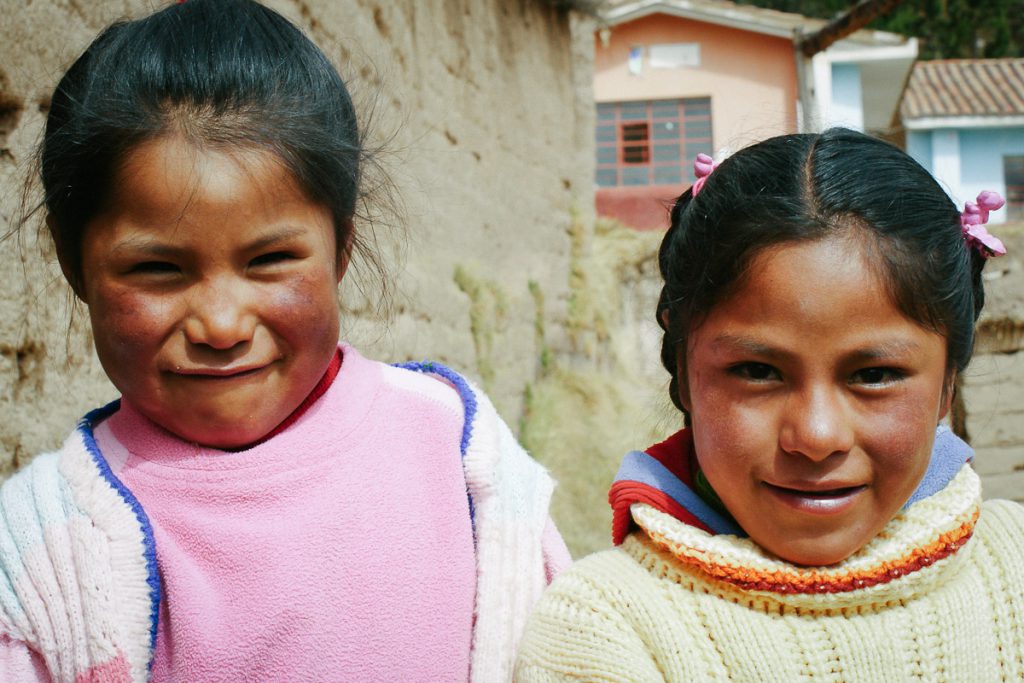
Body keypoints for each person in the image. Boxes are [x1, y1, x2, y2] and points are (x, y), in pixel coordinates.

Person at [0, 1, 569, 680]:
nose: (221, 324)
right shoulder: (43, 550)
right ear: (74, 266)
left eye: (269, 261)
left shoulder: (455, 449)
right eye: (157, 269)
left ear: (341, 250)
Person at [514, 128, 1024, 681]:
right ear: (681, 370)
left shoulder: (1013, 564)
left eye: (874, 376)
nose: (817, 435)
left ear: (948, 383)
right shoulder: (605, 627)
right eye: (757, 372)